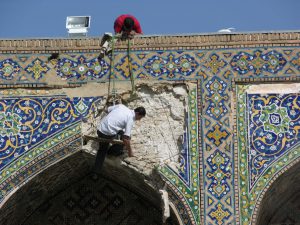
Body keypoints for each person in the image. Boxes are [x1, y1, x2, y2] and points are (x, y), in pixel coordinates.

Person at [93, 104, 146, 172]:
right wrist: (130, 152)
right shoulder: (131, 118)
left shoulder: (121, 106)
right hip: (106, 135)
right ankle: (110, 153)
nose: (139, 120)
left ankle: (95, 173)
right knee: (104, 150)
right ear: (137, 113)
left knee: (122, 133)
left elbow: (106, 110)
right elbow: (125, 139)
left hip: (100, 129)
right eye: (140, 117)